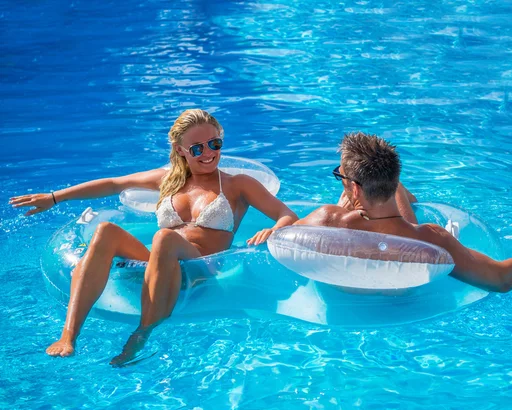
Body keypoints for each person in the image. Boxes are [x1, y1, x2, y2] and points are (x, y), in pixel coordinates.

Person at [10, 109, 298, 364]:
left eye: (215, 143)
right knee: (105, 231)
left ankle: (142, 333)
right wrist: (54, 197)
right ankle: (69, 335)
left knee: (163, 238)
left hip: (205, 267)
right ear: (180, 149)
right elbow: (113, 183)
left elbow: (287, 215)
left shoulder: (237, 185)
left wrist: (273, 229)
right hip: (164, 261)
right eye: (197, 148)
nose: (208, 152)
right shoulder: (168, 180)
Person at [295, 132, 512, 293]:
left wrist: (343, 213)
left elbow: (284, 236)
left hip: (343, 303)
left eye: (340, 177)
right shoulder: (431, 239)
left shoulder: (328, 219)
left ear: (354, 190)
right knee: (400, 211)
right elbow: (502, 279)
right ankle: (397, 189)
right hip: (404, 298)